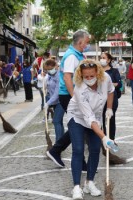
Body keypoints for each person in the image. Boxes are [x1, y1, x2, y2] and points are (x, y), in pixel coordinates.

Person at [67, 59, 115, 199]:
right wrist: (104, 137)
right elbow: (89, 118)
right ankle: (76, 187)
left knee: (95, 149)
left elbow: (111, 91)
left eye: (91, 76)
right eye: (85, 76)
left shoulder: (106, 78)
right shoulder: (79, 89)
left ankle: (89, 182)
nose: (88, 79)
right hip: (77, 117)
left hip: (97, 117)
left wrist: (110, 108)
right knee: (78, 149)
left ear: (98, 73)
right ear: (81, 75)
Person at [46, 29, 90, 168]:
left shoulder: (78, 54)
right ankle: (59, 152)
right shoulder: (71, 56)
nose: (88, 44)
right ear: (80, 41)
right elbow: (67, 77)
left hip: (73, 95)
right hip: (68, 95)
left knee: (78, 126)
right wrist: (75, 98)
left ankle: (57, 151)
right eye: (87, 42)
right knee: (78, 126)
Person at [43, 59, 65, 142]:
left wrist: (48, 103)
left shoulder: (59, 76)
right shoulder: (49, 75)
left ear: (55, 66)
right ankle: (61, 141)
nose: (49, 71)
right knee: (59, 122)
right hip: (55, 102)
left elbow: (57, 93)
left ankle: (58, 142)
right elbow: (47, 88)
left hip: (61, 101)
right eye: (47, 69)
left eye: (50, 69)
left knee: (56, 121)